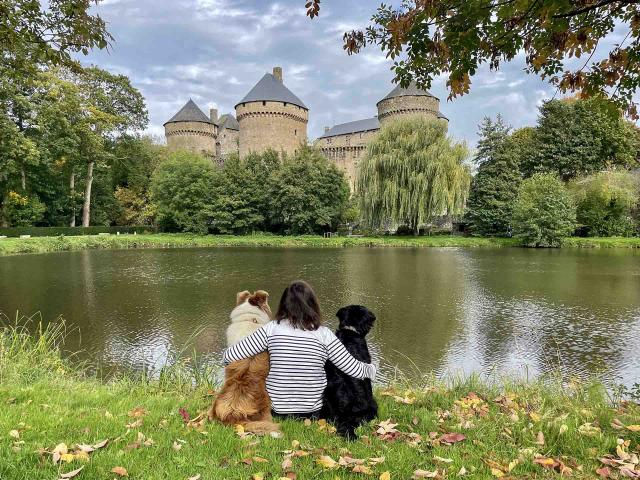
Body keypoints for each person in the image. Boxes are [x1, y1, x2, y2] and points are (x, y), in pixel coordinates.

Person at [222, 280, 377, 419]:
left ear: (283, 304)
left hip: (277, 410)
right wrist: (371, 369)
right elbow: (355, 370)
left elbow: (230, 355)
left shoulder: (271, 329)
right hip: (313, 412)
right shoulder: (324, 334)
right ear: (313, 305)